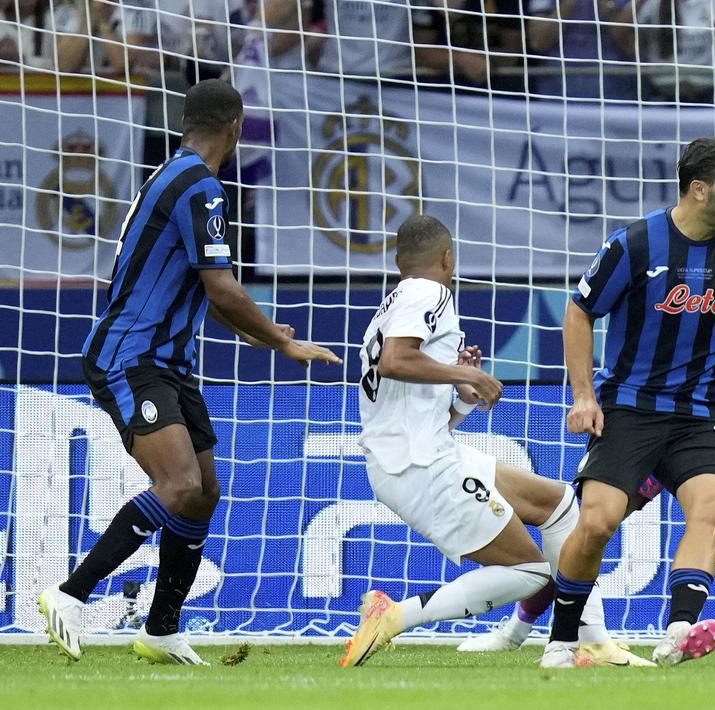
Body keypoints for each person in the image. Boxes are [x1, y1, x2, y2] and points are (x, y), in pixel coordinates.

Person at [39, 79, 341, 666]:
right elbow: (223, 290)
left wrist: (274, 341)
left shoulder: (171, 174)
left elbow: (215, 301)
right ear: (235, 126)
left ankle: (161, 628)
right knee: (178, 486)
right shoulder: (200, 187)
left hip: (169, 363)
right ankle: (70, 593)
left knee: (202, 494)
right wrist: (280, 337)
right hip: (131, 356)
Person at [338, 215, 649, 668]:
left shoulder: (390, 308)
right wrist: (464, 372)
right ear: (448, 258)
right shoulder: (430, 293)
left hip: (425, 453)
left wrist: (461, 397)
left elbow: (419, 403)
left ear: (398, 260)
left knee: (559, 504)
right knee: (529, 572)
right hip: (417, 467)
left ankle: (594, 643)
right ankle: (394, 616)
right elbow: (394, 361)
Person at [538, 138, 715, 669]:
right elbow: (579, 313)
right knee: (598, 522)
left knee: (712, 504)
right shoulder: (635, 244)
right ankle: (561, 640)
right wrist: (584, 396)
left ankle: (679, 629)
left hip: (700, 413)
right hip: (628, 407)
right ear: (699, 190)